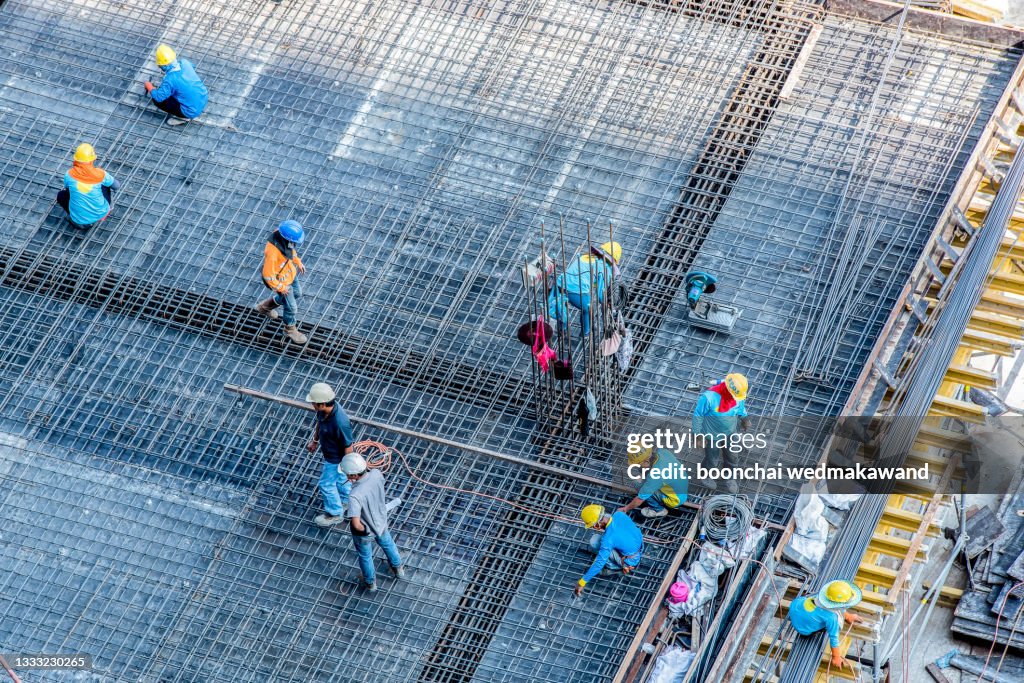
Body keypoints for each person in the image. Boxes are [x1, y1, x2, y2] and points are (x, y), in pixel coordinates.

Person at [342, 453, 405, 592]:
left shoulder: (355, 495)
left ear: (353, 475)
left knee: (365, 556)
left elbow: (356, 524)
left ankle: (370, 583)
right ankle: (398, 569)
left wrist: (364, 531)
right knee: (388, 544)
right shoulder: (376, 474)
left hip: (366, 532)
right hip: (381, 522)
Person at [305, 383, 355, 527]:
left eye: (313, 403)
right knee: (341, 480)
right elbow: (319, 423)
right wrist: (314, 441)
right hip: (330, 453)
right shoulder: (323, 410)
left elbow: (348, 446)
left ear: (322, 404)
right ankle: (347, 501)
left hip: (336, 458)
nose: (312, 405)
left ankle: (334, 514)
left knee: (326, 484)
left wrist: (348, 468)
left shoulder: (340, 422)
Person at [548, 241, 622, 336]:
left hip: (559, 284)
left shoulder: (585, 257)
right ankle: (586, 333)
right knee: (588, 308)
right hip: (575, 290)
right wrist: (609, 303)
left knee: (562, 306)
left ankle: (563, 328)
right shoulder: (605, 268)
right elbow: (601, 295)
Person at [693, 373, 750, 493]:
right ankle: (706, 475)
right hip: (711, 435)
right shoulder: (709, 397)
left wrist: (744, 419)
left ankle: (729, 477)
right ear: (728, 391)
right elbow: (698, 415)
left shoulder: (737, 395)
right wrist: (697, 435)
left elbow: (740, 407)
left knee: (733, 457)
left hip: (730, 432)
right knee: (712, 458)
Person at [788, 580, 864, 670]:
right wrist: (836, 657)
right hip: (803, 629)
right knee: (833, 622)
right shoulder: (831, 618)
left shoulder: (820, 597)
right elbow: (834, 638)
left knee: (823, 609)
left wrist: (847, 616)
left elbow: (838, 606)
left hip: (796, 606)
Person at [255, 219, 308, 344]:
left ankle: (264, 307)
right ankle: (289, 330)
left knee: (297, 294)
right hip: (281, 281)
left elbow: (291, 251)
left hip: (289, 273)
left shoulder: (284, 238)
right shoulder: (272, 253)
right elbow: (268, 275)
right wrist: (280, 287)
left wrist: (298, 262)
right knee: (292, 308)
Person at [574, 504, 643, 597]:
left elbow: (599, 563)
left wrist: (582, 582)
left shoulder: (608, 539)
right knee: (607, 543)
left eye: (593, 525)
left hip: (631, 560)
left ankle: (614, 568)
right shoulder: (619, 514)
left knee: (595, 541)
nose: (594, 527)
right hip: (639, 545)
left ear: (597, 523)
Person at [57, 143, 120, 229]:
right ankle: (107, 209)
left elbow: (68, 189)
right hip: (101, 212)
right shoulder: (100, 174)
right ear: (92, 160)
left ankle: (78, 220)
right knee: (105, 184)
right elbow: (116, 186)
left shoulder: (69, 175)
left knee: (62, 195)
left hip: (78, 219)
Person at [144, 44, 209, 126]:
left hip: (190, 111)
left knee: (156, 100)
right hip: (203, 98)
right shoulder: (184, 62)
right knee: (175, 90)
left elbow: (159, 97)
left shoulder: (170, 80)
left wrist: (149, 86)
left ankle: (184, 117)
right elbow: (192, 67)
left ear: (161, 65)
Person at [618, 447, 688, 519]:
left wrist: (625, 508)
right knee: (645, 474)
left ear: (647, 462)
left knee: (638, 484)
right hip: (681, 485)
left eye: (638, 463)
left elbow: (640, 499)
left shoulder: (655, 475)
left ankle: (659, 510)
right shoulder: (663, 452)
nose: (637, 466)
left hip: (675, 499)